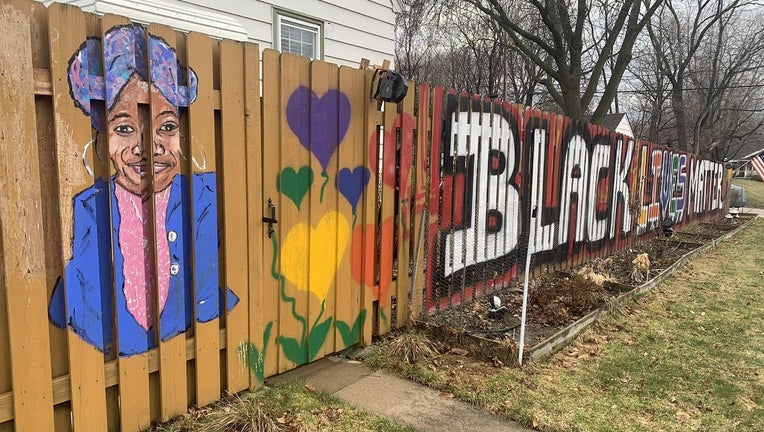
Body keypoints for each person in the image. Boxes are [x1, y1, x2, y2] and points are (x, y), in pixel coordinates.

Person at [49, 24, 237, 356]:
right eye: (124, 128)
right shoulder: (87, 210)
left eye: (167, 127)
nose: (148, 147)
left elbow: (207, 299)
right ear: (102, 140)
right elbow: (82, 313)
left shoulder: (203, 196)